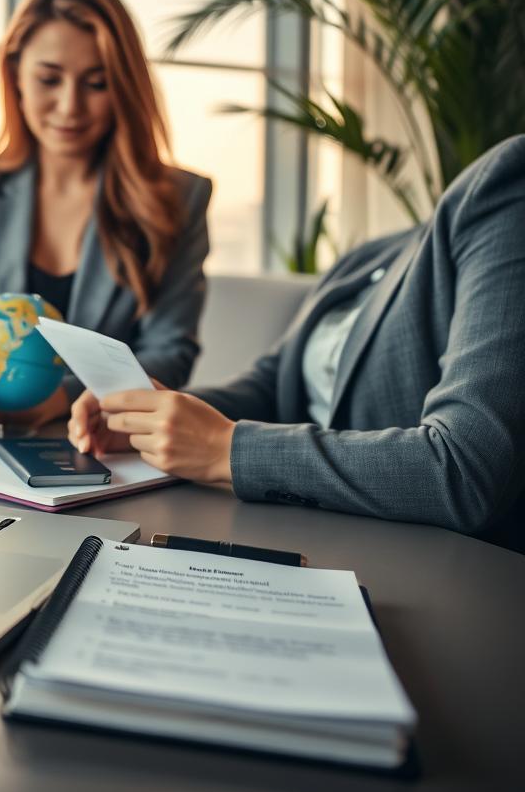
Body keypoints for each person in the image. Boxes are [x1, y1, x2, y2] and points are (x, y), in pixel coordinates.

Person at [70, 135, 525, 538]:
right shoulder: (367, 258)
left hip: (425, 558)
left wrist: (225, 449)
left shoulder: (504, 188)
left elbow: (465, 470)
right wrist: (152, 416)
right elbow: (272, 386)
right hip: (293, 522)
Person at [0, 0, 212, 446]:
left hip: (102, 447)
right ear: (15, 75)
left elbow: (170, 353)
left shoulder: (177, 199)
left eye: (96, 83)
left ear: (123, 88)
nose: (70, 107)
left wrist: (63, 397)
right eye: (49, 79)